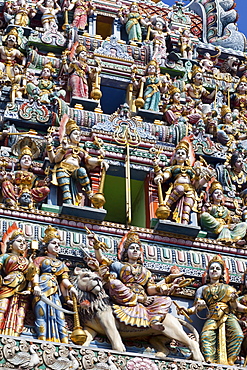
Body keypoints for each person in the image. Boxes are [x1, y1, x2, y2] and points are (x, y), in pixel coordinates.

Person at [89, 231, 182, 331]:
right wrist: (96, 244)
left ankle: (154, 320)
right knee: (114, 283)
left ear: (140, 254)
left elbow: (150, 289)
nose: (135, 250)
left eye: (137, 249)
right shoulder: (119, 265)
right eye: (132, 248)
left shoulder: (146, 272)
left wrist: (164, 285)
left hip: (144, 297)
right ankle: (138, 299)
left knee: (166, 300)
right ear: (126, 251)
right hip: (126, 294)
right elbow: (102, 259)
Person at [186, 255, 246, 365]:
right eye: (212, 268)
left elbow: (235, 306)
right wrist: (188, 311)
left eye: (217, 269)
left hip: (227, 315)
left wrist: (234, 302)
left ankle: (231, 360)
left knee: (238, 335)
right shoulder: (202, 289)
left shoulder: (229, 289)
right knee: (205, 336)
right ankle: (209, 360)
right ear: (208, 272)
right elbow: (197, 307)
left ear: (222, 273)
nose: (214, 270)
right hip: (212, 315)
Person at [32, 225, 78, 343]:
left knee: (59, 315)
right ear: (46, 246)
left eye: (58, 244)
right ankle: (41, 339)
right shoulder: (39, 260)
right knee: (41, 312)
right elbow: (35, 274)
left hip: (54, 292)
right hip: (42, 289)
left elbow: (64, 280)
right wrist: (36, 285)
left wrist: (71, 288)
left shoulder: (61, 264)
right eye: (53, 243)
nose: (57, 246)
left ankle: (63, 342)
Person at [46, 118, 107, 205]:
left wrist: (99, 161)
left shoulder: (81, 150)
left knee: (82, 171)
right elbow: (55, 160)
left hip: (76, 170)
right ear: (69, 136)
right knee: (65, 188)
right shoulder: (64, 146)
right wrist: (63, 149)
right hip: (63, 168)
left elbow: (89, 160)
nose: (78, 136)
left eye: (79, 134)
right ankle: (69, 204)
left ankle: (90, 194)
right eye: (75, 134)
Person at [154, 139, 211, 224]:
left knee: (187, 207)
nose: (180, 154)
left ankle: (184, 225)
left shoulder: (191, 170)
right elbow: (166, 175)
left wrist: (206, 176)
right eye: (178, 153)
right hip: (178, 186)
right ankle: (166, 207)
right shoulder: (172, 168)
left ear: (187, 157)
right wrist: (157, 169)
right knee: (180, 189)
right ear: (175, 156)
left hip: (190, 189)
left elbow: (197, 184)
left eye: (183, 153)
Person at [0, 224, 33, 336]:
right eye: (19, 241)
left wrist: (29, 289)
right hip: (7, 284)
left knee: (21, 313)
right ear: (11, 244)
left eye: (24, 242)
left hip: (23, 289)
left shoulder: (27, 260)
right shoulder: (5, 256)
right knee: (2, 308)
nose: (22, 244)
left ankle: (15, 334)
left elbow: (31, 277)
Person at [200, 181, 247, 245]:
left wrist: (233, 220)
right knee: (204, 215)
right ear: (212, 196)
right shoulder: (209, 206)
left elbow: (228, 219)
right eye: (216, 193)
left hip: (226, 226)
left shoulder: (225, 209)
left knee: (244, 225)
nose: (219, 194)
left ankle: (235, 239)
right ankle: (225, 230)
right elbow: (203, 216)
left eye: (220, 193)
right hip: (214, 227)